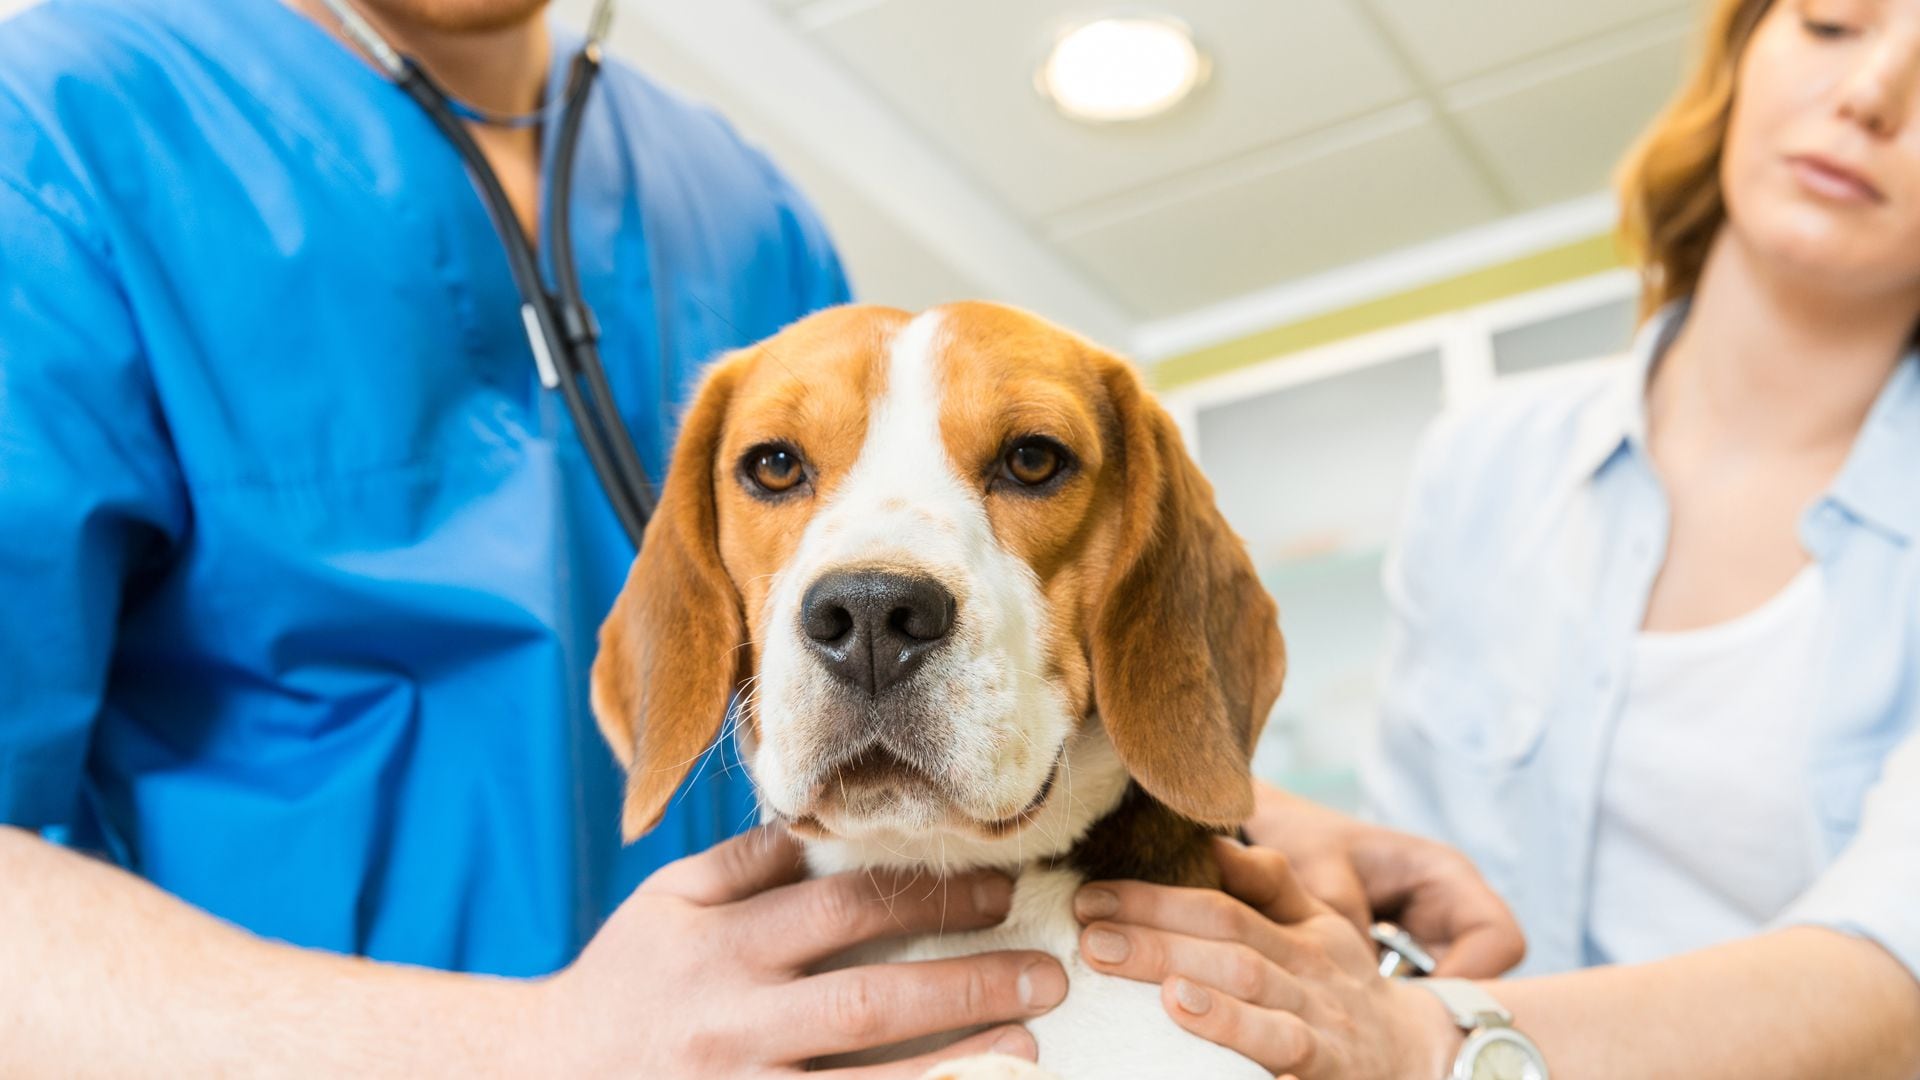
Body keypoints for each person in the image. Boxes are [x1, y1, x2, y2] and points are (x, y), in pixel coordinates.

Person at [0, 0, 1533, 1072]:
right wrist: (528, 1053)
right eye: (781, 463)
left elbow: (945, 590)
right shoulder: (55, 127)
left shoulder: (737, 201)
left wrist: (1199, 783)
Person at [1064, 0, 1920, 1076]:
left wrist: (1438, 1039)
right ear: (1745, 51)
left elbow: (1901, 974)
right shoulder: (1488, 462)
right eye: (1834, 22)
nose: (1871, 95)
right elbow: (1412, 863)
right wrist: (1285, 824)